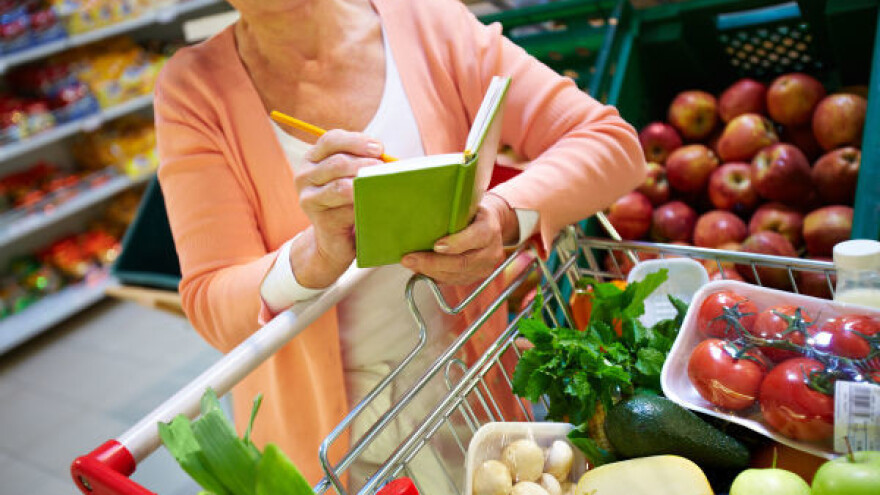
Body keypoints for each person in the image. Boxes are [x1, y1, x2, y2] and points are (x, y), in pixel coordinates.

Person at [154, 0, 646, 487]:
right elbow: (212, 301)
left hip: (477, 412)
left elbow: (610, 142)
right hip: (323, 452)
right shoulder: (195, 90)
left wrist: (501, 215)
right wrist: (315, 256)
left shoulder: (426, 21)